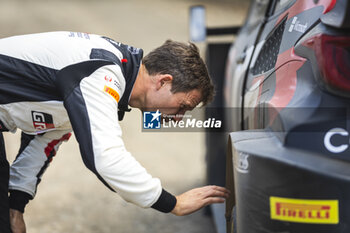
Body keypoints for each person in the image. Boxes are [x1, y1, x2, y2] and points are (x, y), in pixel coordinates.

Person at [0, 31, 230, 233]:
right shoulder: (102, 73)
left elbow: (47, 136)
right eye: (183, 106)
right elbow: (105, 158)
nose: (178, 118)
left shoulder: (112, 72)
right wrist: (173, 203)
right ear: (163, 81)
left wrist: (15, 206)